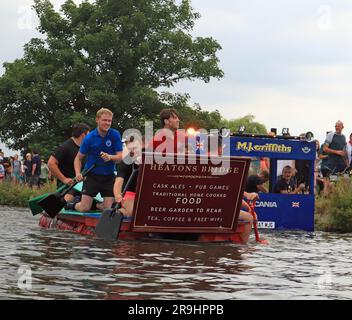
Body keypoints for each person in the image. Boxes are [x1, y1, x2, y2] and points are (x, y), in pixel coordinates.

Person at [68, 108, 123, 212]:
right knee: (84, 208)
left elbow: (120, 156)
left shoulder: (115, 134)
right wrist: (78, 173)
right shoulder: (89, 138)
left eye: (109, 121)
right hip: (92, 175)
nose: (107, 123)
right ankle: (71, 205)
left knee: (108, 209)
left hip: (108, 176)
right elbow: (78, 158)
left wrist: (110, 157)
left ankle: (97, 205)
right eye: (104, 120)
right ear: (97, 120)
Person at [48, 123, 90, 202]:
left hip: (81, 185)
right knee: (70, 197)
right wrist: (64, 179)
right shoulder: (65, 147)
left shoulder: (85, 148)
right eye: (88, 134)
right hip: (67, 186)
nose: (90, 137)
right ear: (83, 135)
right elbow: (51, 163)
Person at [113, 136, 144, 217]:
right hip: (128, 194)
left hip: (143, 195)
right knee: (135, 211)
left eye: (136, 147)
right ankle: (118, 211)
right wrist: (117, 195)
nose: (134, 150)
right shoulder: (124, 162)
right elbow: (118, 182)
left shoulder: (148, 161)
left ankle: (121, 212)